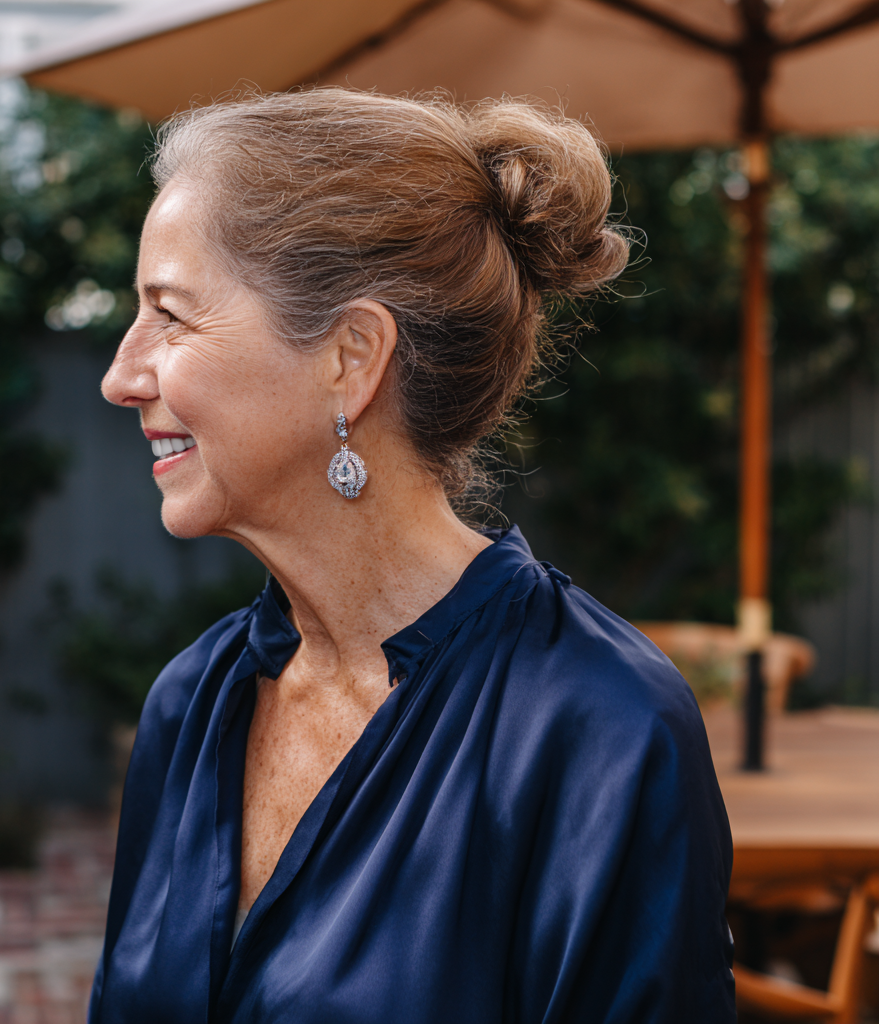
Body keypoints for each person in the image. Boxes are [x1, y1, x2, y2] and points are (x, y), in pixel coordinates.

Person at [93, 89, 735, 1023]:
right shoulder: (193, 703)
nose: (121, 374)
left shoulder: (601, 731)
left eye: (171, 314)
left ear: (351, 356)